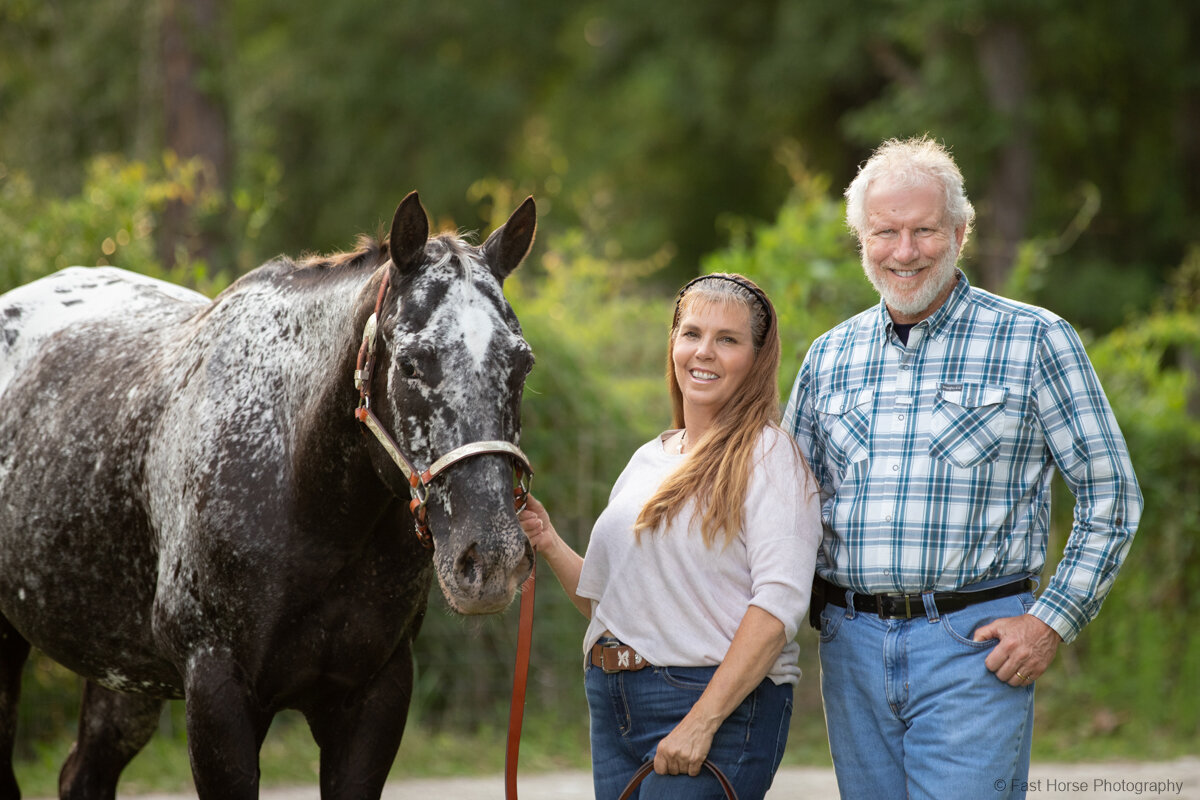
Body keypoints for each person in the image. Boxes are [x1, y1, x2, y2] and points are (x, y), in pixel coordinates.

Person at [783, 136, 1142, 799]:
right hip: (850, 646)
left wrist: (1051, 621)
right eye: (885, 232)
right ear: (862, 238)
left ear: (960, 231)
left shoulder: (1035, 340)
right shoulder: (828, 357)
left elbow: (1110, 494)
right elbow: (780, 507)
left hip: (974, 648)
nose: (905, 250)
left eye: (924, 230)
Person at [519, 273, 822, 800]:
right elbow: (607, 606)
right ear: (674, 344)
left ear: (756, 359)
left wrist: (701, 721)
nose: (704, 352)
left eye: (727, 339)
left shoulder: (769, 456)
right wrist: (547, 540)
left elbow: (778, 608)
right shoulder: (648, 458)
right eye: (691, 333)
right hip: (614, 704)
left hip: (711, 702)